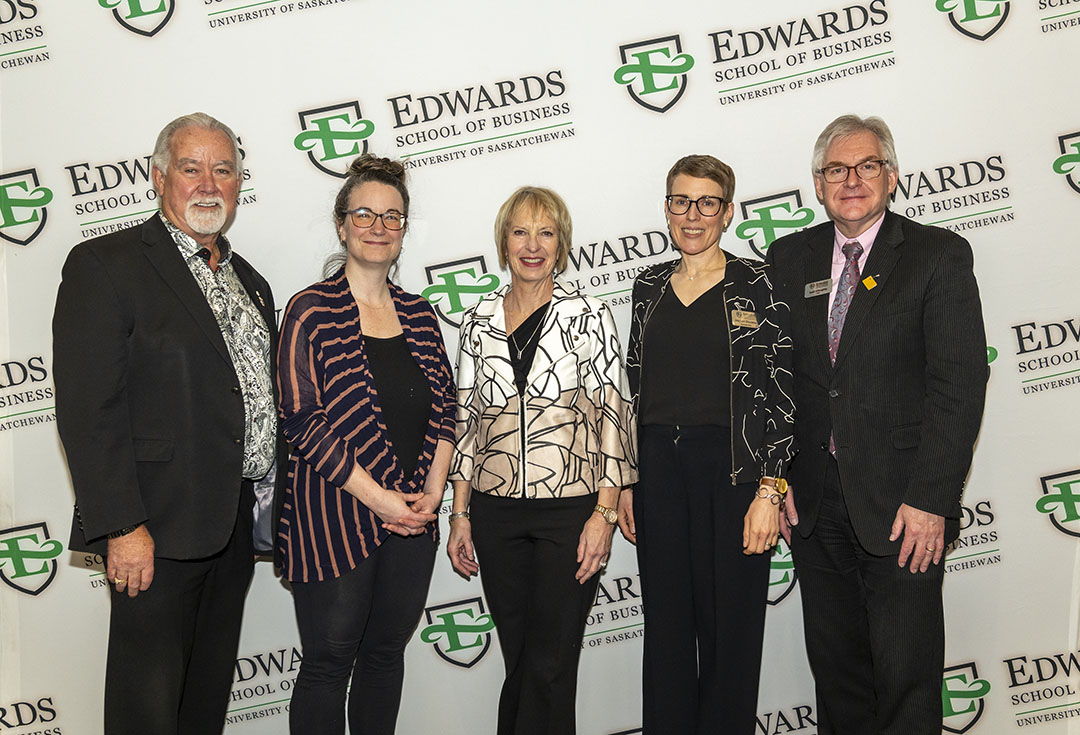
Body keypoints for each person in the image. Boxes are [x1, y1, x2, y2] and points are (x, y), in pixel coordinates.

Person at [53, 112, 283, 734]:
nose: (209, 183)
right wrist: (123, 525)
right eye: (191, 168)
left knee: (203, 702)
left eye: (224, 169)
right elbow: (86, 409)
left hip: (231, 526)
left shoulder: (249, 282)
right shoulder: (107, 265)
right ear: (158, 178)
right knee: (146, 710)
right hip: (152, 529)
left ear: (239, 183)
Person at [766, 115, 987, 734]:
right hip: (813, 509)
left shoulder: (936, 256)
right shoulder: (788, 257)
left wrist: (931, 499)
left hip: (903, 507)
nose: (852, 180)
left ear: (891, 176)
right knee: (838, 683)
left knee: (905, 680)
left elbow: (959, 384)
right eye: (837, 169)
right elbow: (775, 384)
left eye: (866, 167)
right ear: (817, 184)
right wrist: (778, 482)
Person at [446, 186, 638, 735]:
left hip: (569, 513)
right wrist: (459, 514)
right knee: (522, 661)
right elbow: (466, 423)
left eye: (546, 233)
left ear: (562, 243)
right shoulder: (476, 320)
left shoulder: (590, 315)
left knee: (552, 663)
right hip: (494, 513)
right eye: (520, 232)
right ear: (504, 242)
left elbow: (612, 416)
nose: (533, 245)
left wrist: (603, 516)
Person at [616, 154, 796, 735]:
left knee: (733, 630)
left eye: (706, 203)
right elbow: (633, 388)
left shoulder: (759, 283)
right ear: (666, 208)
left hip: (735, 477)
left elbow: (783, 393)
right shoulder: (647, 287)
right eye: (680, 201)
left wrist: (772, 487)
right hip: (658, 478)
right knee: (666, 629)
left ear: (728, 211)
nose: (692, 215)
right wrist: (625, 479)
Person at [276, 154, 456, 735]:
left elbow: (448, 410)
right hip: (333, 516)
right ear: (341, 223)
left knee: (385, 656)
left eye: (392, 217)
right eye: (365, 215)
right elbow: (302, 421)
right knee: (328, 663)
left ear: (404, 229)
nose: (378, 227)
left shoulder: (421, 315)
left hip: (414, 519)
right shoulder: (310, 310)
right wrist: (380, 500)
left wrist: (431, 494)